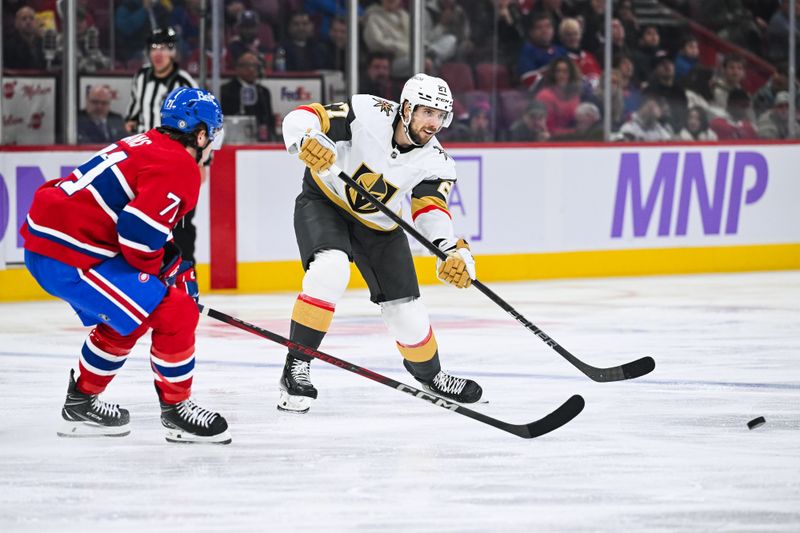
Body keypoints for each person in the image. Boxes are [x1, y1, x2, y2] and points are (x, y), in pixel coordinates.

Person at [20, 87, 231, 444]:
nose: (211, 145)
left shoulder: (146, 142)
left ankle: (81, 405)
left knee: (130, 315)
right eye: (210, 136)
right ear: (199, 134)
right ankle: (177, 412)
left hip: (58, 244)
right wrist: (166, 272)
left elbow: (136, 224)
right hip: (72, 254)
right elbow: (136, 236)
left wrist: (169, 263)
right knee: (176, 310)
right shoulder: (181, 165)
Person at [277, 73, 483, 413]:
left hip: (379, 226)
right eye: (427, 112)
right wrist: (308, 139)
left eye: (440, 115)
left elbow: (430, 209)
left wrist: (449, 250)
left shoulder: (437, 162)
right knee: (330, 270)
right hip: (325, 201)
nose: (434, 123)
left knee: (408, 311)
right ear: (406, 108)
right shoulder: (366, 112)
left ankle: (432, 375)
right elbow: (304, 117)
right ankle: (297, 366)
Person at [125, 27, 200, 265]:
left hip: (175, 160)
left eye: (166, 48)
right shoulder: (141, 77)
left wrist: (203, 162)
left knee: (180, 221)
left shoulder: (185, 83)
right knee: (142, 215)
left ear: (174, 52)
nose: (159, 53)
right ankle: (143, 271)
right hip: (143, 157)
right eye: (155, 47)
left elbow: (202, 126)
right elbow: (134, 113)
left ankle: (185, 275)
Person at [220, 51, 275, 142]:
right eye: (247, 66)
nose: (252, 70)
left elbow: (268, 119)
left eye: (255, 66)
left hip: (259, 140)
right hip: (233, 139)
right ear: (237, 68)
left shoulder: (263, 92)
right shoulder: (225, 91)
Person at [3, 6, 46, 70]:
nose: (28, 22)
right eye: (24, 18)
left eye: (31, 18)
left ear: (36, 22)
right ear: (16, 23)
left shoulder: (43, 43)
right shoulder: (8, 46)